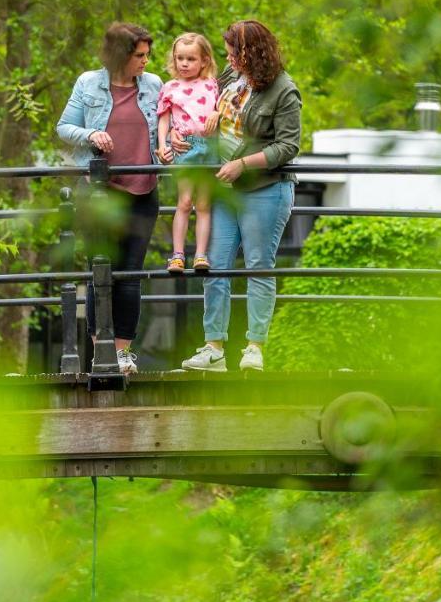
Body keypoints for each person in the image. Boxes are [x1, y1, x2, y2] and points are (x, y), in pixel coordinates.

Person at [180, 20, 300, 373]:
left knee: (259, 265)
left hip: (265, 189)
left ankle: (254, 348)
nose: (228, 58)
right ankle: (213, 347)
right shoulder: (230, 81)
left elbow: (288, 145)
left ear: (251, 53)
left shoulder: (284, 90)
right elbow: (205, 114)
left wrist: (244, 164)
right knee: (214, 265)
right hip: (224, 189)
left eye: (233, 52)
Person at [56, 22, 162, 375]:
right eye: (139, 56)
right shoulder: (89, 83)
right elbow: (64, 128)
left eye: (148, 55)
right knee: (100, 270)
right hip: (100, 193)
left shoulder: (154, 85)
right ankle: (99, 348)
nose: (146, 62)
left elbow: (167, 128)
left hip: (143, 192)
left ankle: (122, 354)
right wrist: (91, 134)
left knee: (131, 272)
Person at [156, 32, 220, 274]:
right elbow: (163, 120)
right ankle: (178, 255)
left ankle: (201, 255)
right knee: (184, 201)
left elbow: (222, 109)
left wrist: (217, 114)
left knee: (203, 204)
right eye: (180, 58)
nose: (184, 63)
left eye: (191, 59)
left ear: (204, 60)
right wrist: (163, 144)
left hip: (209, 146)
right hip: (185, 146)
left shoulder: (213, 85)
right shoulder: (170, 87)